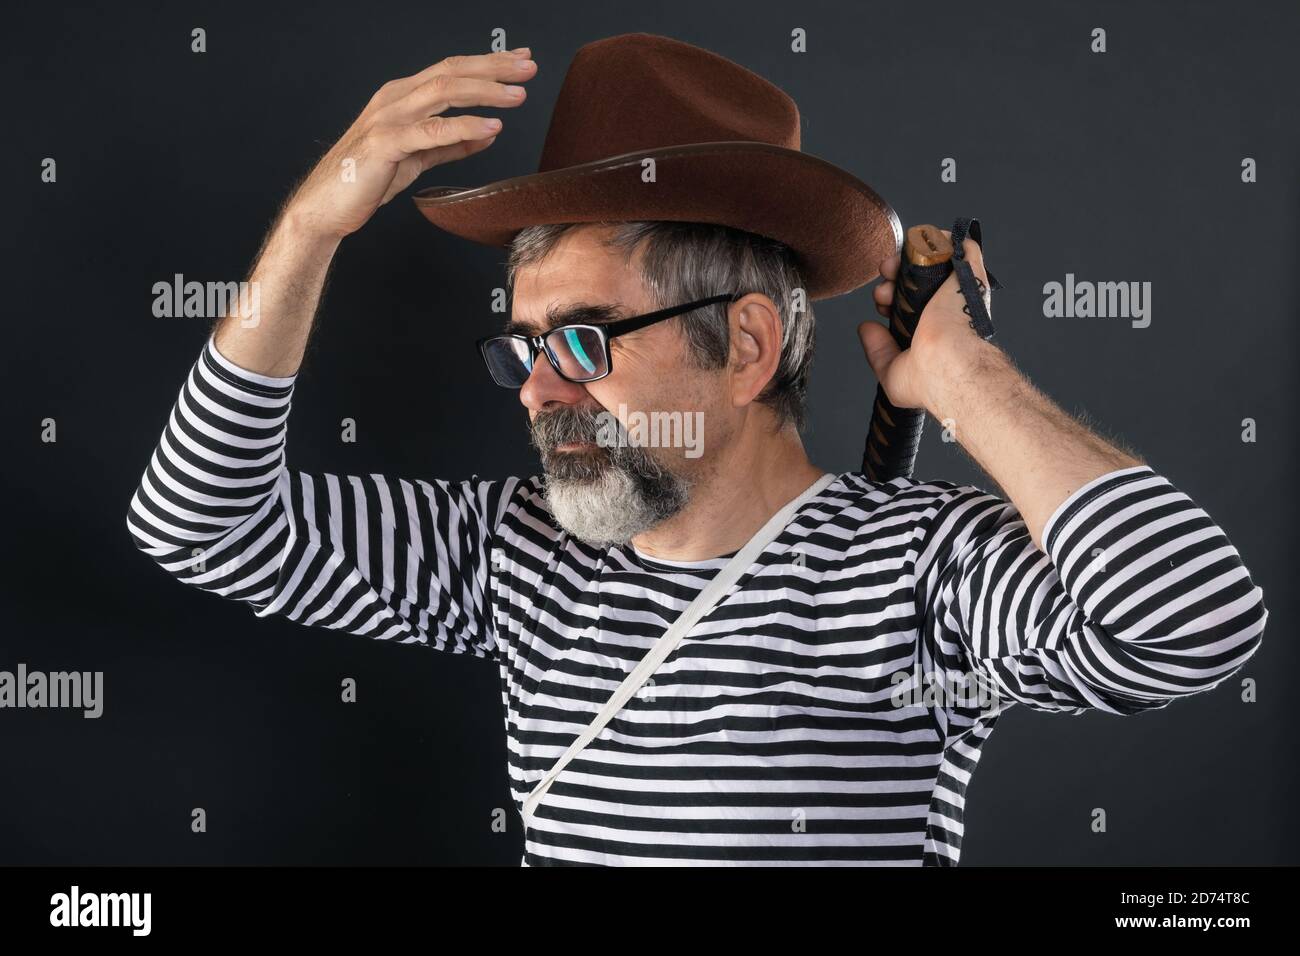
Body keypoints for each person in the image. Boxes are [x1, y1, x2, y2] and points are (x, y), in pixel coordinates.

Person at [126, 34, 1268, 866]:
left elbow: (1188, 624)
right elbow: (197, 523)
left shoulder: (923, 574)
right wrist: (315, 226)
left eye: (578, 338)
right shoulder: (515, 550)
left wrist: (960, 377)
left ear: (748, 343)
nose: (537, 387)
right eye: (521, 344)